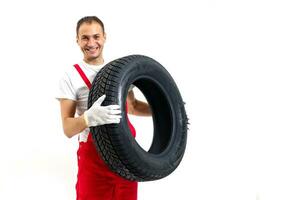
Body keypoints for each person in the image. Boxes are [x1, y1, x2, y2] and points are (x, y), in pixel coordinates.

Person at [56, 16, 152, 200]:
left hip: (126, 156)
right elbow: (68, 128)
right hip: (94, 160)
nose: (91, 43)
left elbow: (132, 106)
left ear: (104, 37)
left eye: (96, 36)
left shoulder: (121, 71)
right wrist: (87, 119)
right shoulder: (70, 77)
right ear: (77, 40)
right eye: (85, 38)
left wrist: (166, 112)